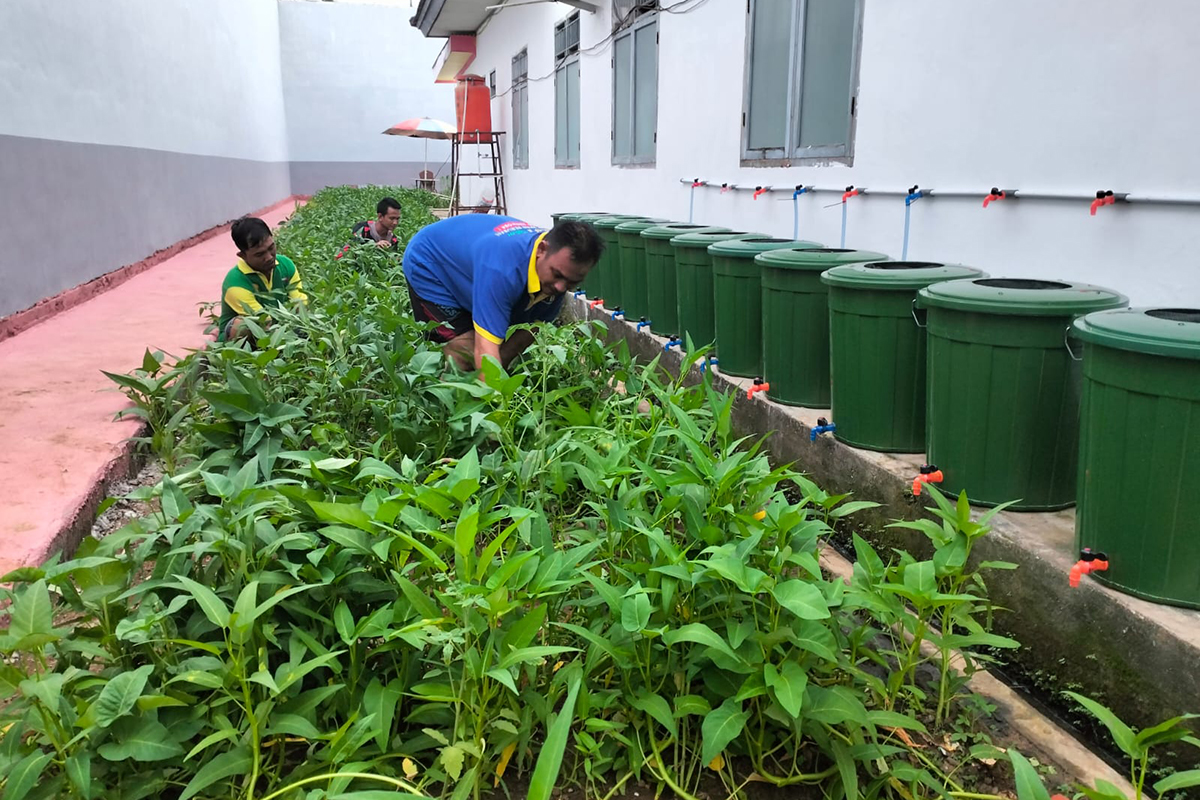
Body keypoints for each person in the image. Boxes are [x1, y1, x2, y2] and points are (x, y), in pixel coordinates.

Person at [402, 215, 603, 370]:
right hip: (431, 265)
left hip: (474, 264)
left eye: (573, 282)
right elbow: (485, 352)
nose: (561, 288)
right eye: (557, 275)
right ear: (542, 249)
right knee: (467, 352)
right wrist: (496, 415)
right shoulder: (502, 268)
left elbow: (536, 326)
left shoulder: (553, 268)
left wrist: (503, 362)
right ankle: (447, 410)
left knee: (506, 349)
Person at [217, 217, 307, 342]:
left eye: (271, 248)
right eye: (259, 254)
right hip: (244, 342)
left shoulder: (286, 266)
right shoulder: (235, 283)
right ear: (242, 256)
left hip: (280, 330)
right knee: (244, 326)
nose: (269, 257)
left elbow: (300, 304)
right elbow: (264, 321)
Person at [337, 197, 402, 259]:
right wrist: (373, 246)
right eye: (392, 218)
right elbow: (350, 250)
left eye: (397, 219)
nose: (395, 223)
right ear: (380, 216)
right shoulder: (363, 229)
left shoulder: (393, 240)